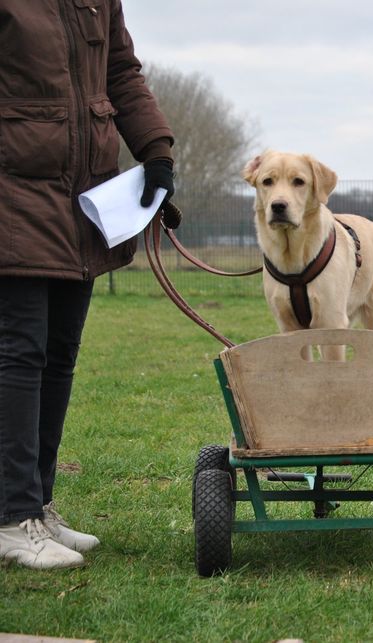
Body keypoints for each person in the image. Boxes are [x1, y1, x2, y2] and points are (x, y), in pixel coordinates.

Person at [0, 0, 177, 569]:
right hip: (13, 190)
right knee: (18, 353)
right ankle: (10, 516)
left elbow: (120, 70)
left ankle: (37, 505)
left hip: (83, 198)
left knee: (57, 354)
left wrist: (155, 150)